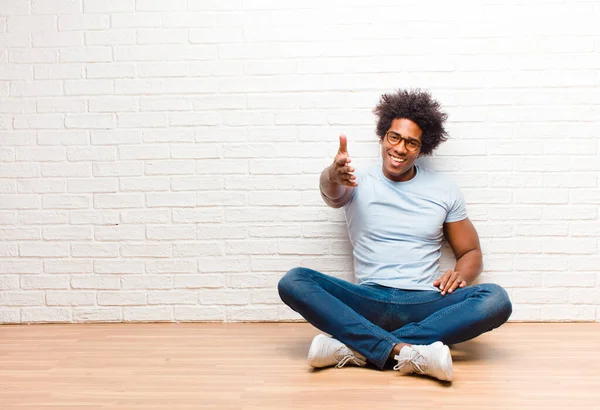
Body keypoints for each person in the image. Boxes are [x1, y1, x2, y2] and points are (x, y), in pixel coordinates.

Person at [277, 89, 512, 382]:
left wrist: (460, 273)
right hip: (367, 299)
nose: (400, 148)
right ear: (382, 136)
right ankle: (406, 352)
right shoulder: (355, 179)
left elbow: (471, 252)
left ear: (422, 148)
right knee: (293, 281)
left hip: (423, 303)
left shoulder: (444, 189)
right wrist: (331, 175)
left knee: (496, 299)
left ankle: (358, 346)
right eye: (394, 137)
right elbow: (331, 191)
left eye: (411, 143)